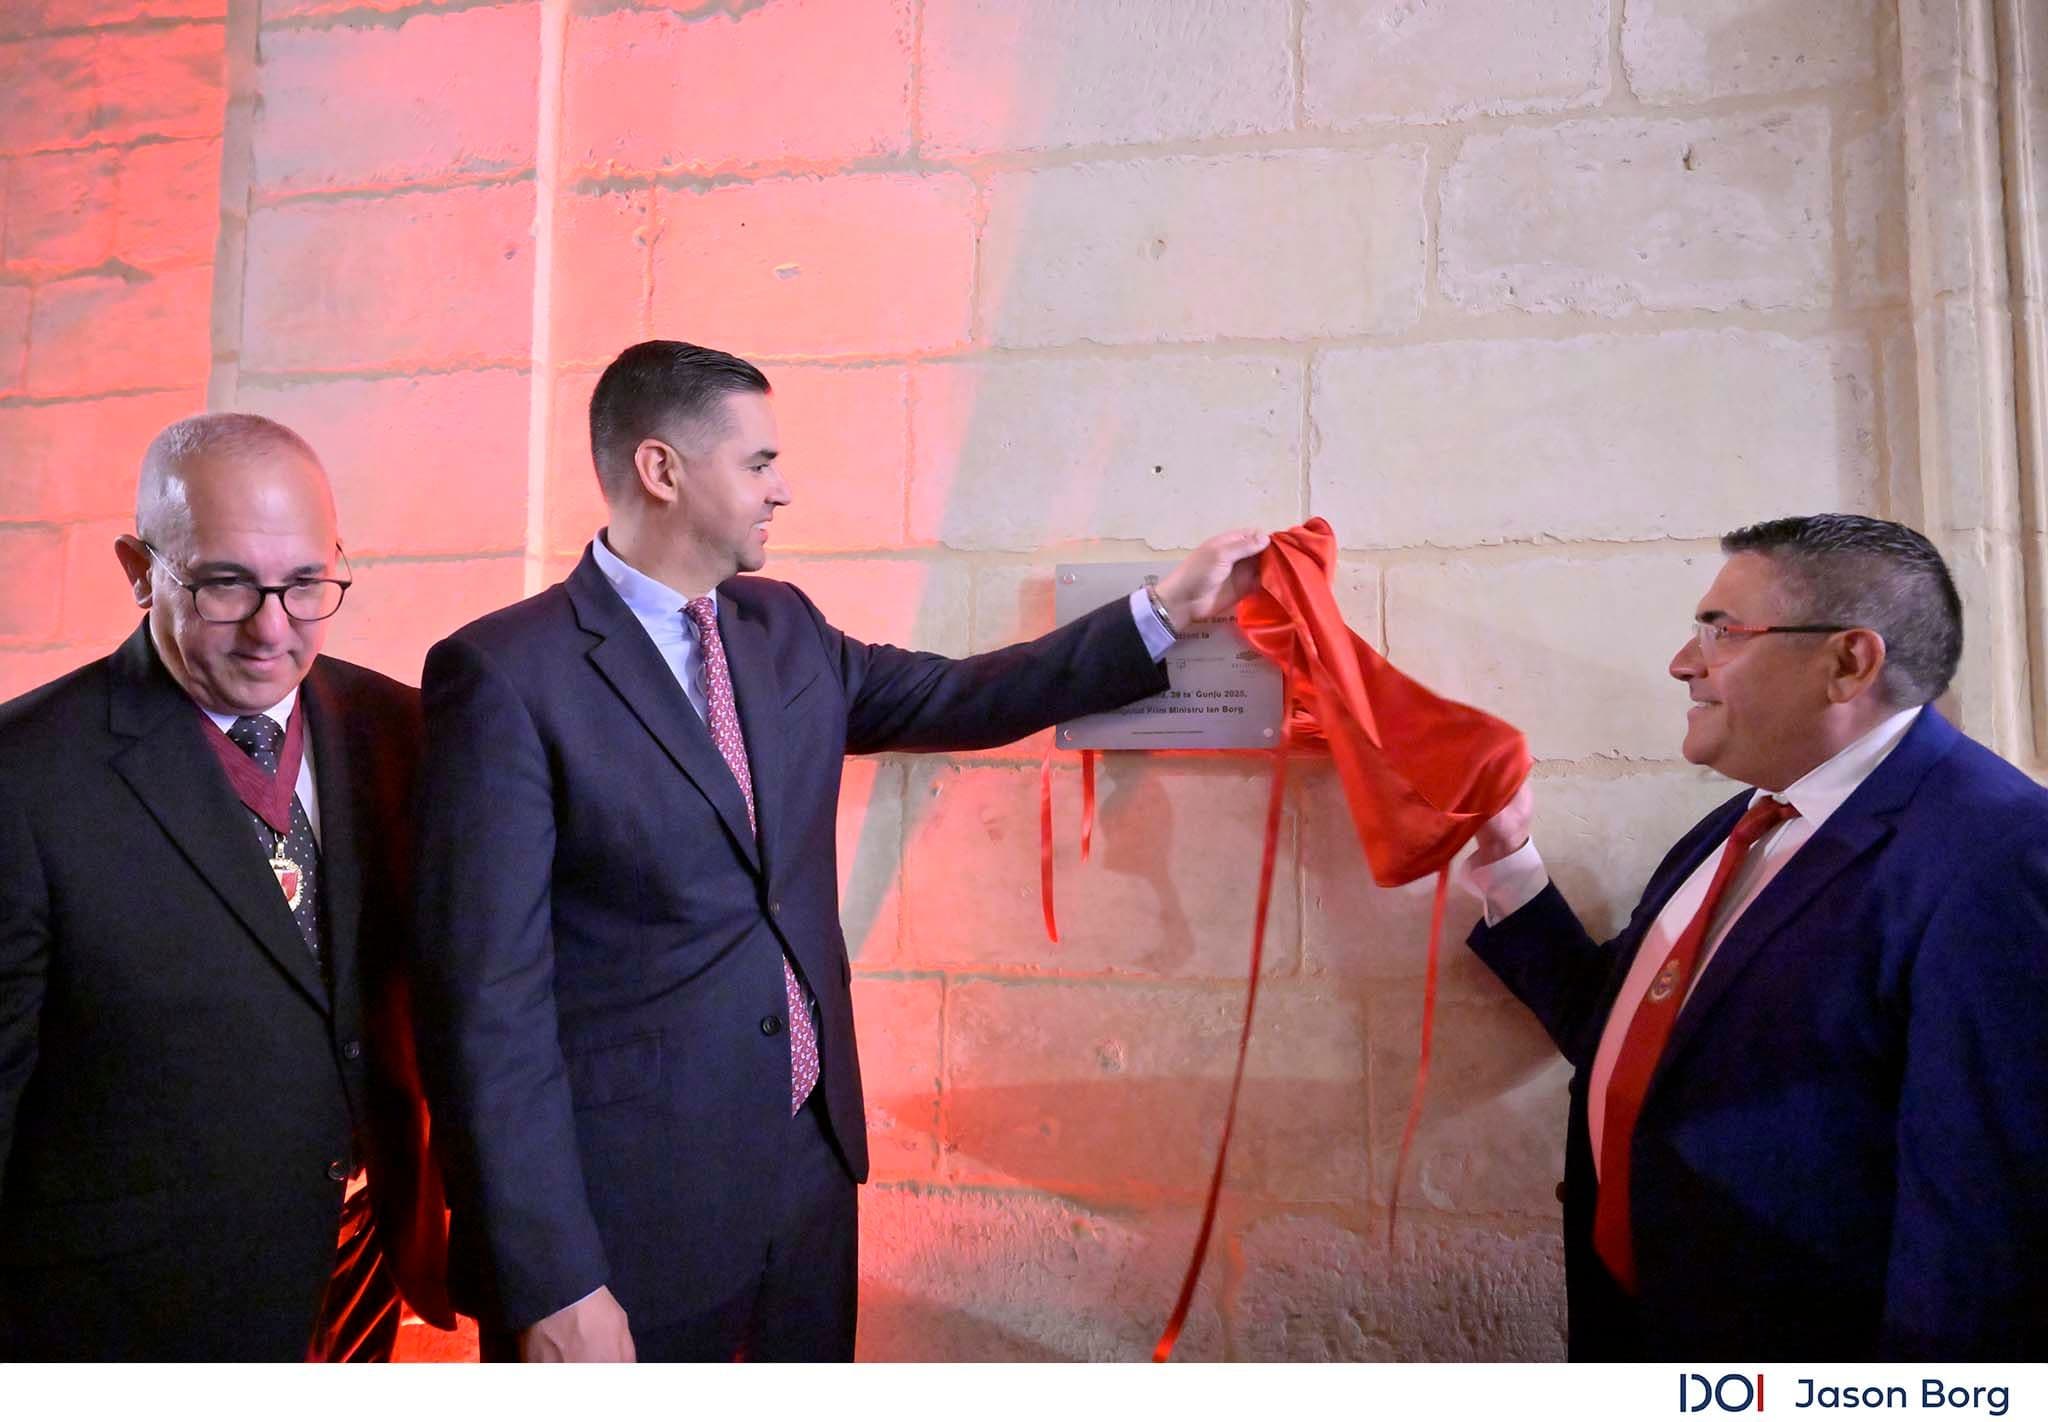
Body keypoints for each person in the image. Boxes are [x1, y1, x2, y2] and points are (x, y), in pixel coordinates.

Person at [412, 339, 1267, 1362]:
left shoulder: (782, 627)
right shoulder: (505, 673)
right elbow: (482, 1005)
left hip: (809, 1184)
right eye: (760, 463)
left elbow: (960, 696)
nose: (785, 491)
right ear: (661, 469)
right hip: (632, 1220)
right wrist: (548, 1278)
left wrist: (1164, 612)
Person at [1462, 513, 2048, 1360]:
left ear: (1849, 661)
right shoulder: (1746, 819)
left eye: (1721, 631)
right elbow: (1634, 1042)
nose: (1681, 662)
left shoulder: (1997, 852)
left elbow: (1987, 1221)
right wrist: (1508, 862)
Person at [0, 413, 450, 1360]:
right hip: (131, 1319)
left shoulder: (402, 729)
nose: (271, 630)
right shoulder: (24, 776)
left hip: (362, 1281)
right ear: (138, 568)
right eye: (224, 585)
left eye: (307, 586)